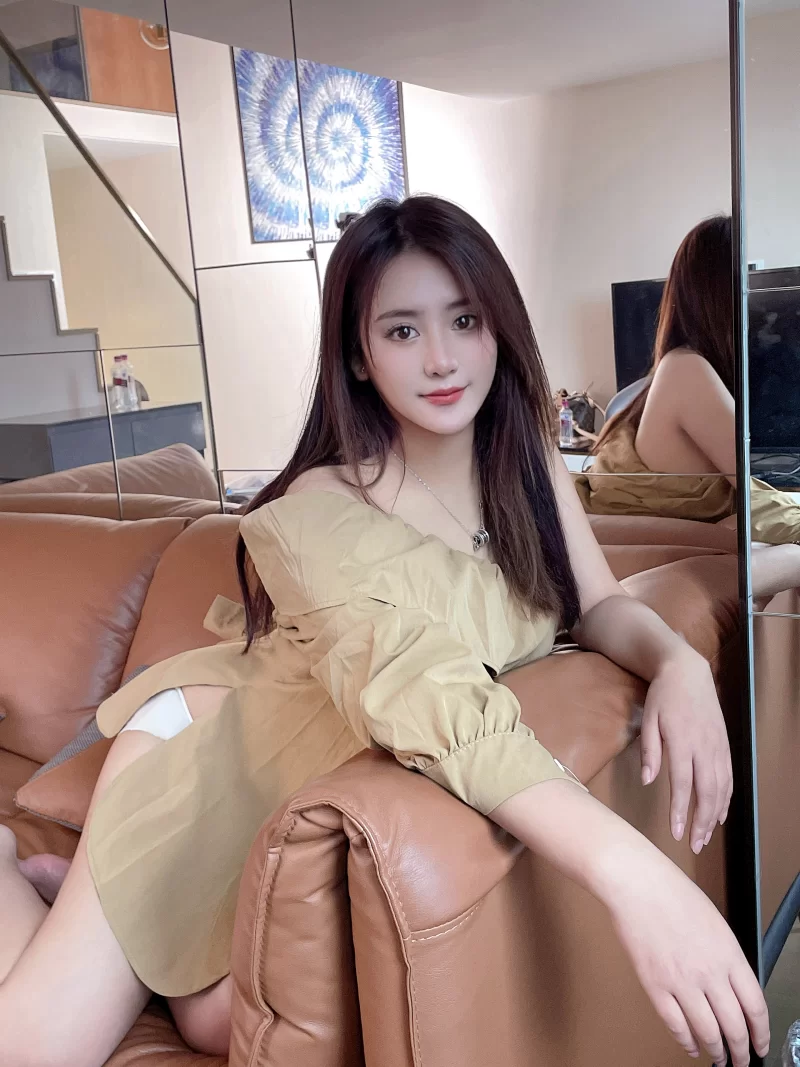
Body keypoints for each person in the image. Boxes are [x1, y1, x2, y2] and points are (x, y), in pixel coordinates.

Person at [0, 196, 768, 1067]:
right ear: (359, 357)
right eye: (402, 331)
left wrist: (678, 663)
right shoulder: (320, 503)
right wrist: (636, 877)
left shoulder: (526, 466)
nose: (441, 358)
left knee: (215, 1020)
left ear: (499, 326)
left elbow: (599, 605)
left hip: (316, 769)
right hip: (218, 750)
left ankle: (101, 911)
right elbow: (424, 689)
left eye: (465, 320)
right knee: (33, 1050)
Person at [576, 214, 800, 601]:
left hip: (636, 540)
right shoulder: (686, 370)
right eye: (748, 283)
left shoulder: (677, 368)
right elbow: (753, 496)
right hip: (621, 551)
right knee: (774, 553)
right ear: (724, 293)